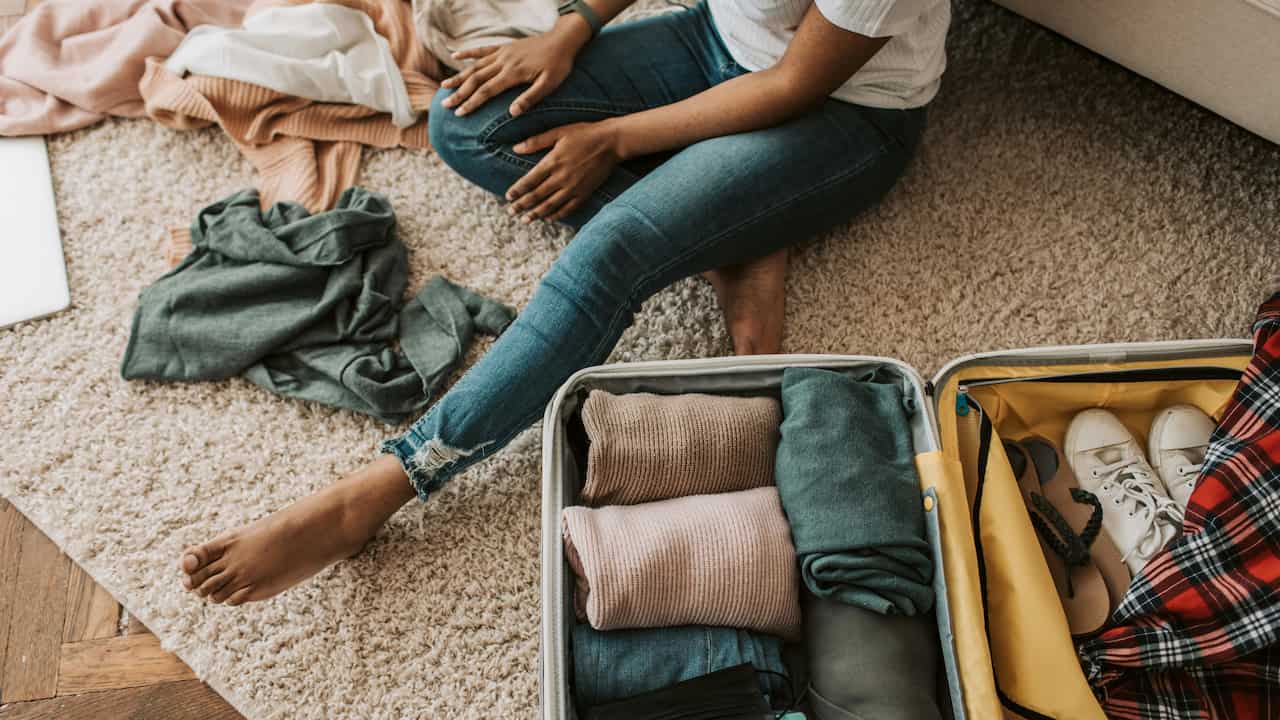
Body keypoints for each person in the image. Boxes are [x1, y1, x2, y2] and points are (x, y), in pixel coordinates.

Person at [178, 0, 950, 604]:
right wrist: (573, 27)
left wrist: (614, 138)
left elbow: (794, 83)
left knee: (614, 248)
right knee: (467, 123)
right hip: (715, 43)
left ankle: (380, 490)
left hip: (843, 115)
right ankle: (741, 235)